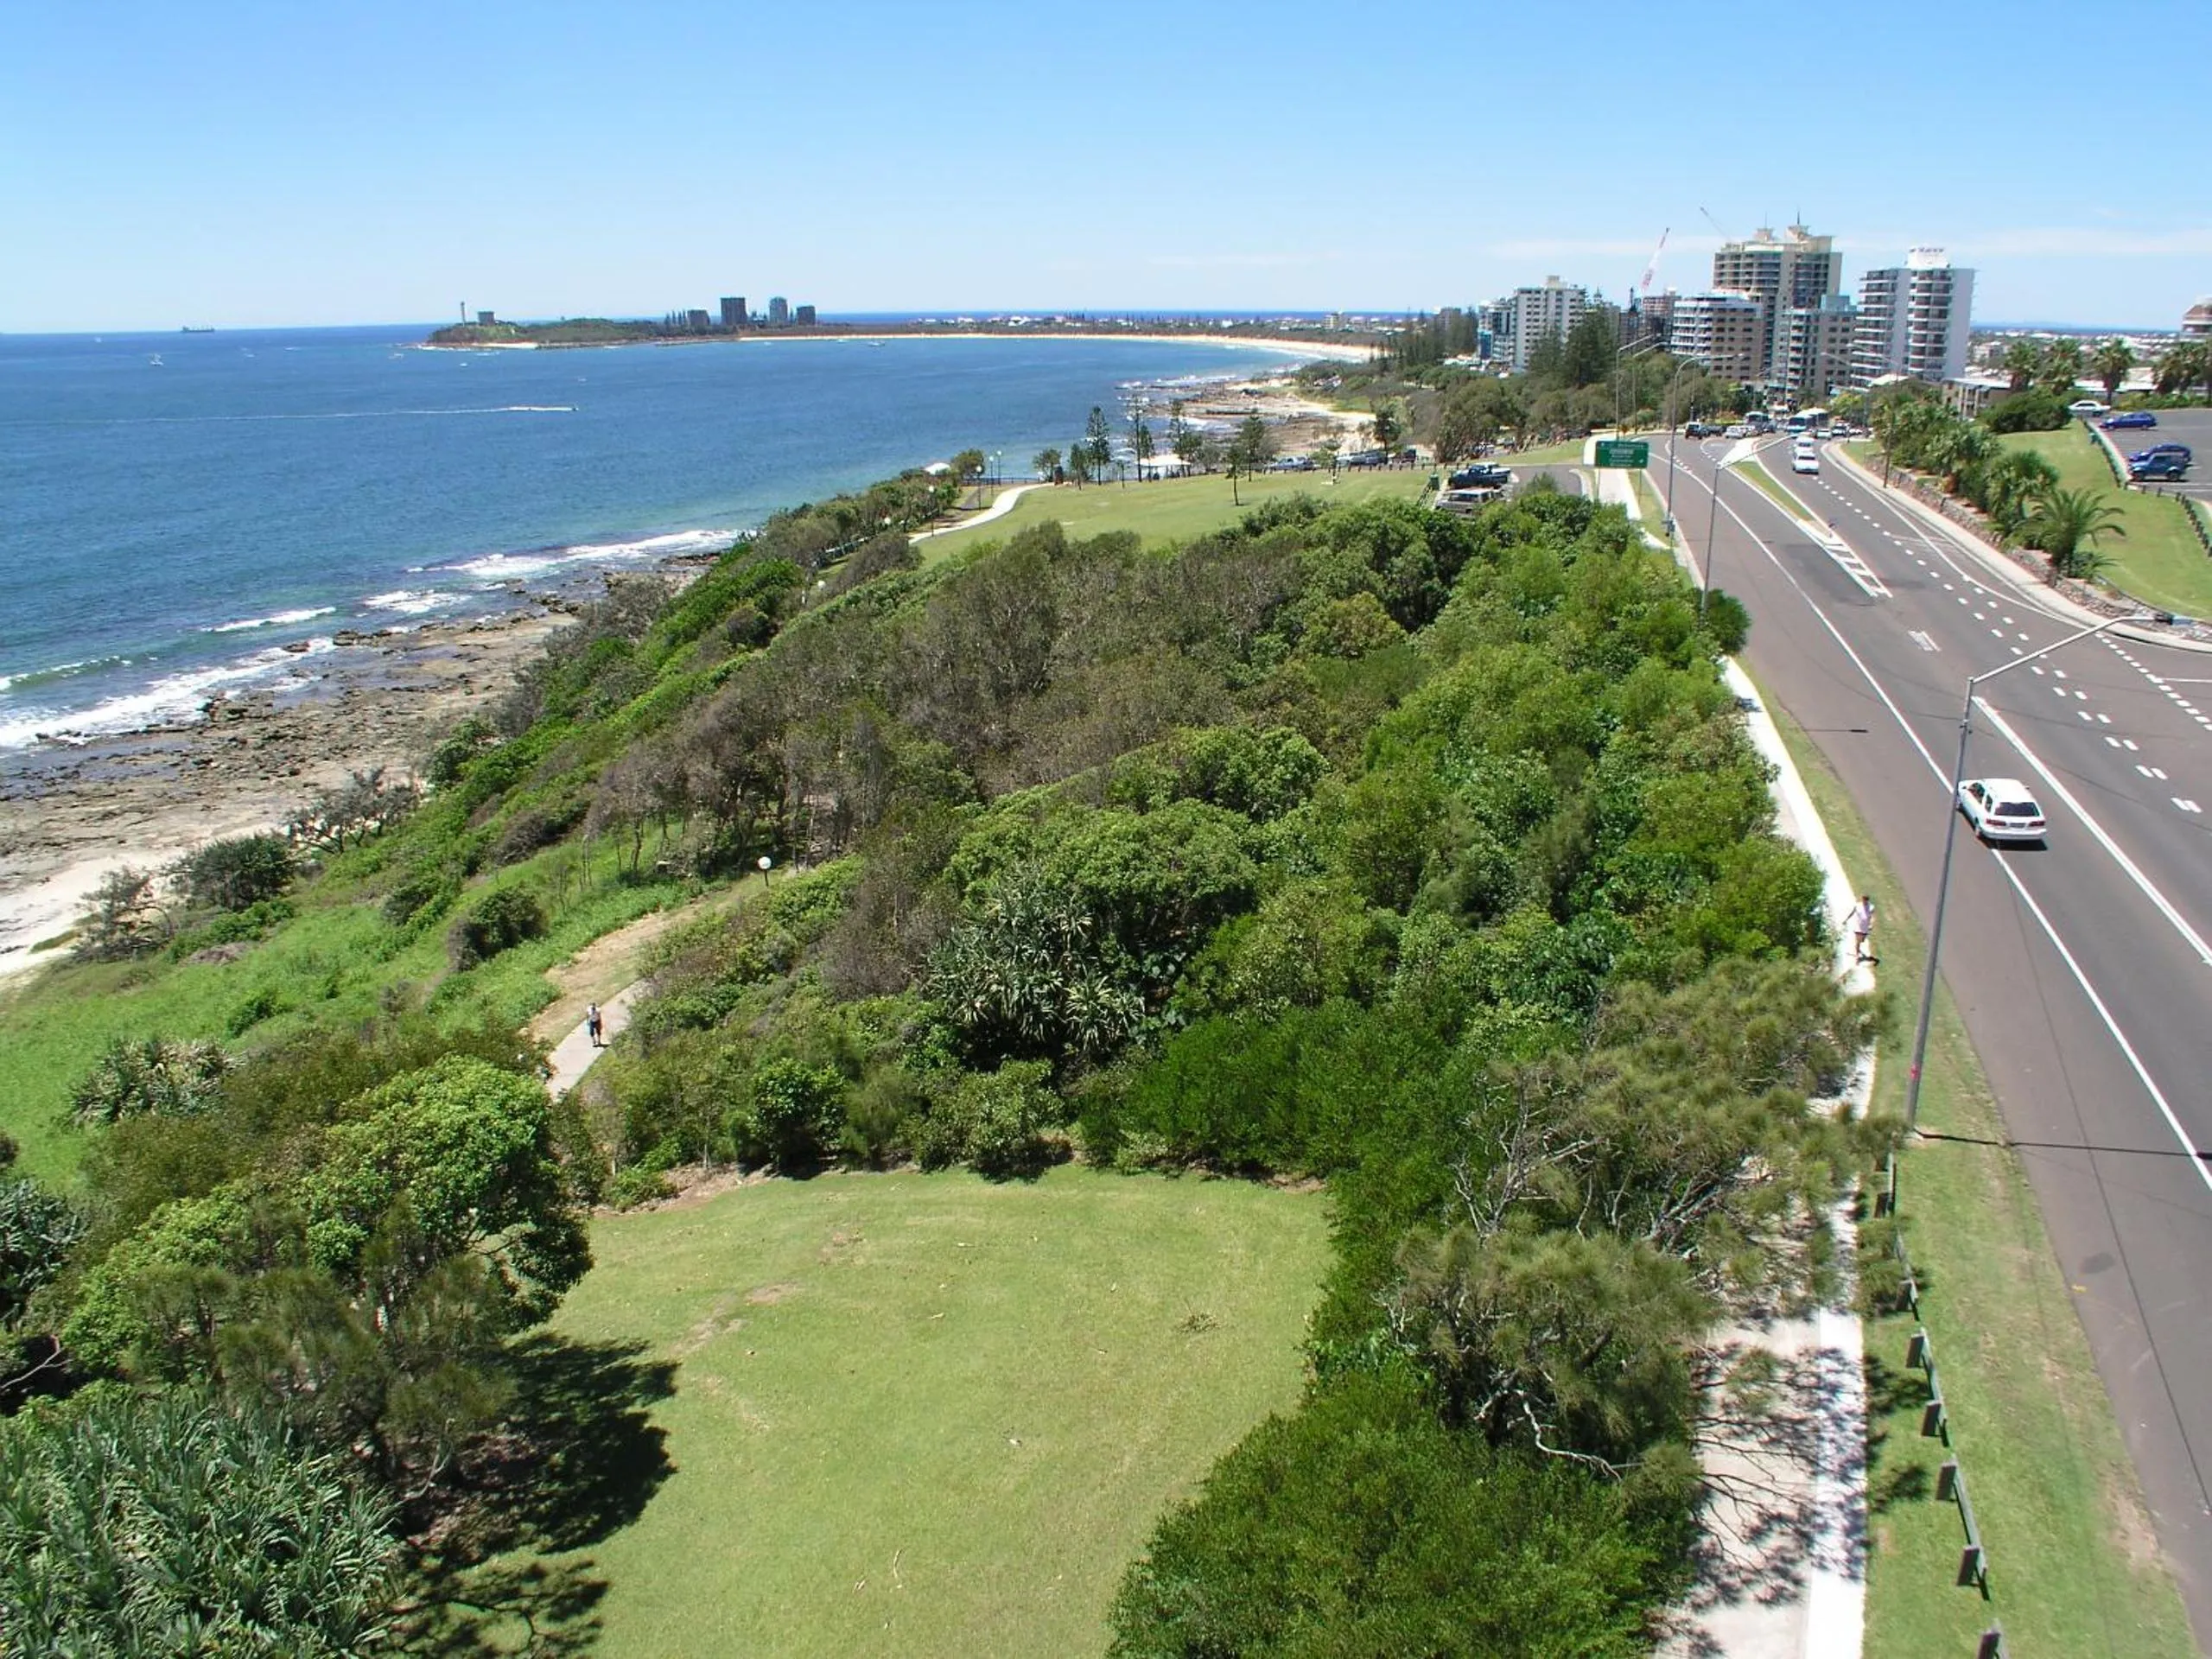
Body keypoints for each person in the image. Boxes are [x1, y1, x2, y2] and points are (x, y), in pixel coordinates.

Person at [1845, 896, 1876, 964]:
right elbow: (1852, 913)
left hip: (1865, 927)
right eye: (1864, 900)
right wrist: (1846, 920)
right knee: (1858, 941)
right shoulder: (1857, 905)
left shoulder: (1871, 907)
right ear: (1862, 899)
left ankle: (1858, 949)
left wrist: (1871, 925)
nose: (1865, 901)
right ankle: (1857, 957)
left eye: (1866, 900)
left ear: (1868, 900)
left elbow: (1873, 917)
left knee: (1862, 941)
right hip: (1858, 926)